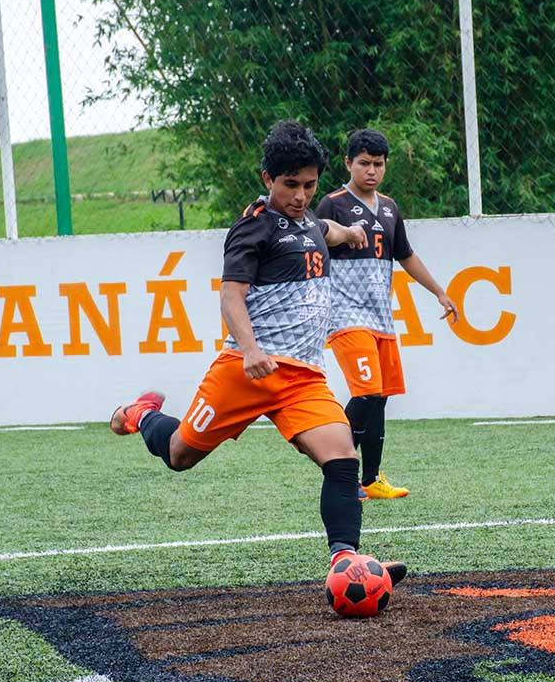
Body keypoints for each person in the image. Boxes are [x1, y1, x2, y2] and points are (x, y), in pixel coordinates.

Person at [109, 120, 405, 585]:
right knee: (180, 454)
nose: (301, 195)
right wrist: (248, 350)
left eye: (309, 185)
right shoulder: (253, 228)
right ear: (268, 179)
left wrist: (346, 234)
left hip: (303, 377)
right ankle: (141, 415)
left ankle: (347, 563)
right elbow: (231, 296)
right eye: (291, 185)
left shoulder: (307, 217)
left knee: (343, 457)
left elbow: (320, 229)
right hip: (246, 370)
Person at [315, 130, 458, 501]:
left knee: (379, 398)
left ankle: (371, 478)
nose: (372, 170)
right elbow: (312, 249)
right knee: (366, 394)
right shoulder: (333, 205)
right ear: (348, 163)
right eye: (364, 163)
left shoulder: (391, 208)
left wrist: (440, 292)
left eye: (378, 164)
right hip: (346, 315)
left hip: (382, 318)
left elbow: (405, 255)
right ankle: (338, 470)